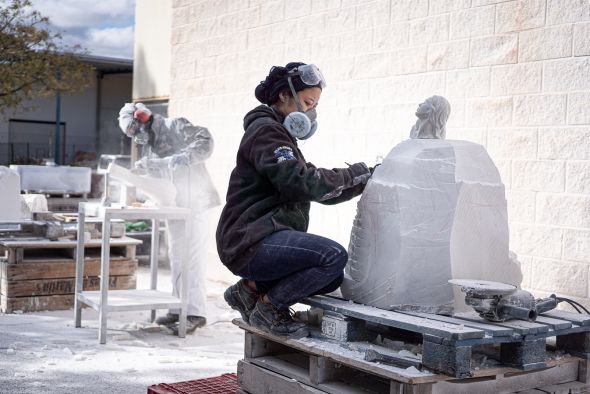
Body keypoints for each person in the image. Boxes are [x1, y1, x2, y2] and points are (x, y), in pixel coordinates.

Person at [216, 62, 376, 336]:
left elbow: (312, 187)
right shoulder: (267, 133)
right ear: (284, 95)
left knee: (331, 275)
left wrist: (361, 182)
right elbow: (302, 182)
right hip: (249, 240)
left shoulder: (278, 135)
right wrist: (354, 174)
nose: (310, 112)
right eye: (307, 102)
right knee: (332, 256)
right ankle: (269, 309)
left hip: (258, 236)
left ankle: (248, 290)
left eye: (314, 105)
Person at [118, 103, 220, 334]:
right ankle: (178, 308)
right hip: (176, 206)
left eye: (135, 130)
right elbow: (162, 176)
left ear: (143, 119)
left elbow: (206, 142)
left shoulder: (176, 125)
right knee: (176, 256)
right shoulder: (151, 146)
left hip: (197, 202)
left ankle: (195, 312)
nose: (136, 137)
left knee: (192, 258)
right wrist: (146, 171)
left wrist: (176, 159)